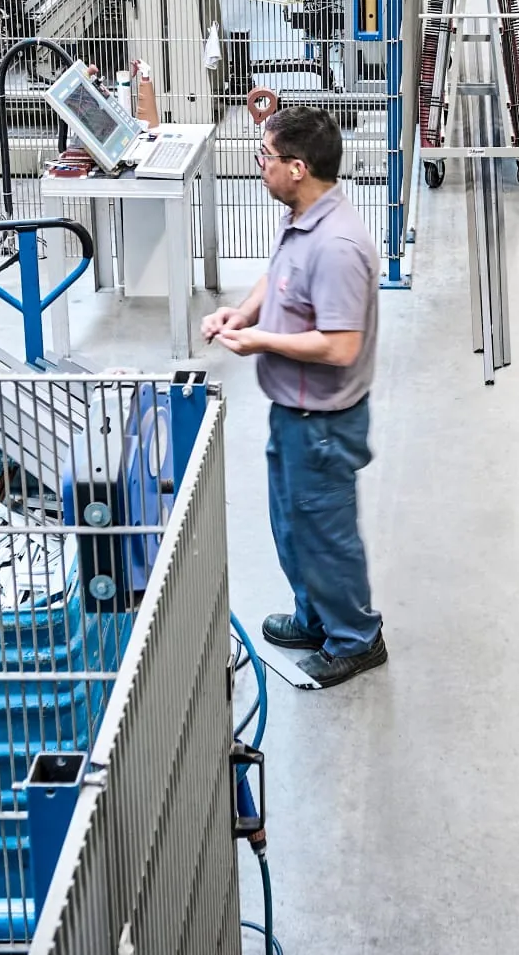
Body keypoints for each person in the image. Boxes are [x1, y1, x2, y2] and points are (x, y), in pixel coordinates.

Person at [202, 105, 387, 688]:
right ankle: (316, 619)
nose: (260, 166)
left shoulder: (337, 246)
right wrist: (243, 313)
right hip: (293, 414)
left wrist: (260, 341)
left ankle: (356, 639)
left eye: (266, 157)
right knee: (292, 526)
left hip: (322, 425)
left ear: (298, 168)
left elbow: (340, 346)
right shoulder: (303, 219)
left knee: (325, 535)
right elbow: (277, 275)